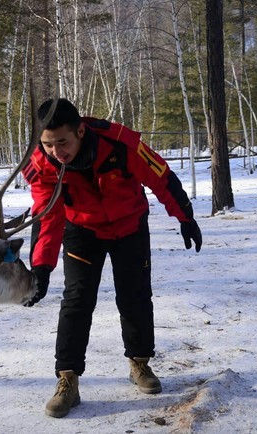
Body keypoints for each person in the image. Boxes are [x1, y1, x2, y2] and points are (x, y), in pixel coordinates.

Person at [22, 98, 202, 418]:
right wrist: (42, 267)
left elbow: (161, 176)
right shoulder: (43, 165)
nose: (56, 152)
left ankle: (139, 363)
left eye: (62, 142)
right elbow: (47, 216)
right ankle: (68, 379)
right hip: (82, 231)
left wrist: (185, 216)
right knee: (77, 300)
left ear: (80, 130)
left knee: (134, 297)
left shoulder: (120, 144)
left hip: (129, 226)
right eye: (48, 144)